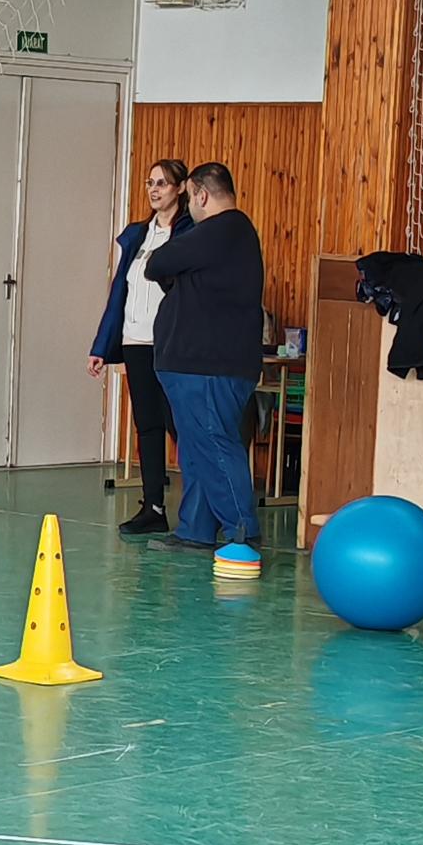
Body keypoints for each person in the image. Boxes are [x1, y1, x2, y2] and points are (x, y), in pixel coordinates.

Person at [143, 162, 265, 553]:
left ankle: (242, 531)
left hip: (207, 365)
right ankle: (195, 529)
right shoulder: (229, 236)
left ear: (200, 194)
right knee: (197, 449)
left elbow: (157, 264)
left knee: (212, 444)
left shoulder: (222, 228)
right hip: (198, 364)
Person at [89, 159, 194, 536]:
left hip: (172, 342)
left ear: (180, 188)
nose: (154, 189)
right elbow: (120, 292)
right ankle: (153, 507)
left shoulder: (190, 232)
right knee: (147, 425)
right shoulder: (137, 235)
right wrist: (102, 345)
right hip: (136, 341)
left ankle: (201, 507)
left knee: (180, 425)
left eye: (162, 183)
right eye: (150, 183)